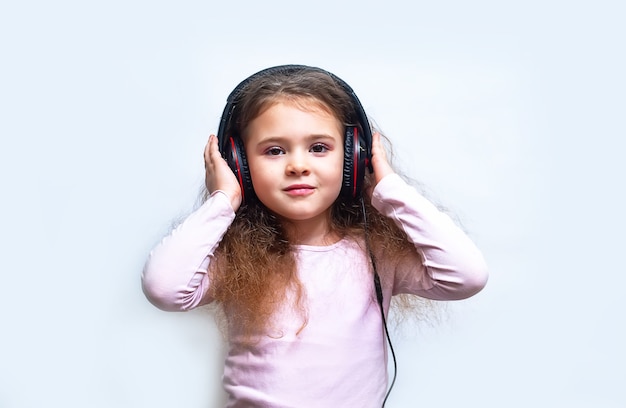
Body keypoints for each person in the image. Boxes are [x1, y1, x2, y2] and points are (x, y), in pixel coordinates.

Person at [141, 64, 488, 407]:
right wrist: (223, 201)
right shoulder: (236, 257)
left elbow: (466, 277)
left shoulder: (376, 252)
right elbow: (165, 289)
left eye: (319, 148)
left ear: (354, 159)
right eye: (274, 150)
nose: (298, 165)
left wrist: (388, 188)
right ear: (239, 165)